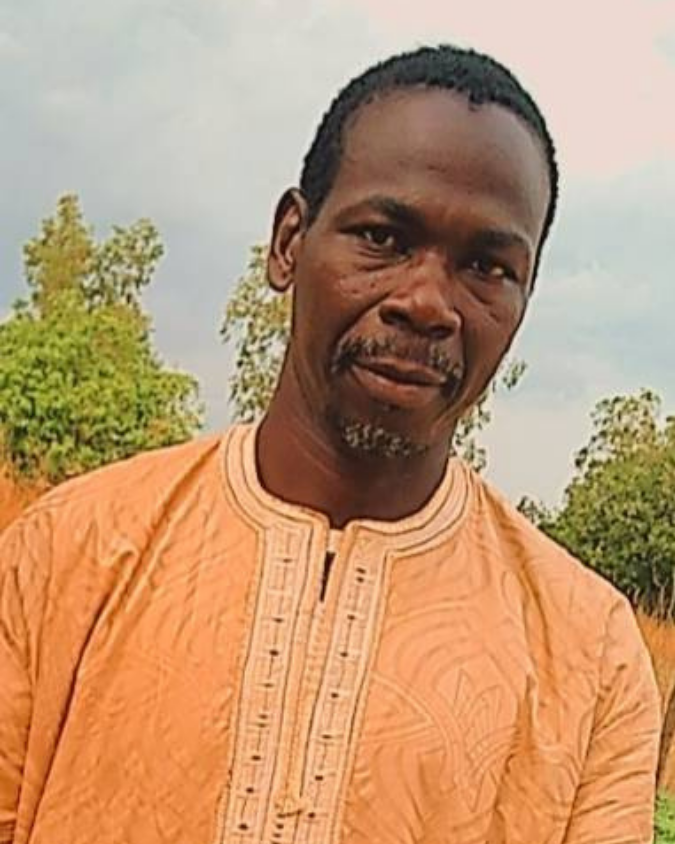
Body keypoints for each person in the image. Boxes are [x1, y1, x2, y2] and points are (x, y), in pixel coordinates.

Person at [0, 44, 661, 844]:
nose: (427, 303)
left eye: (486, 267)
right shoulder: (64, 557)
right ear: (289, 242)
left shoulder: (589, 658)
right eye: (382, 237)